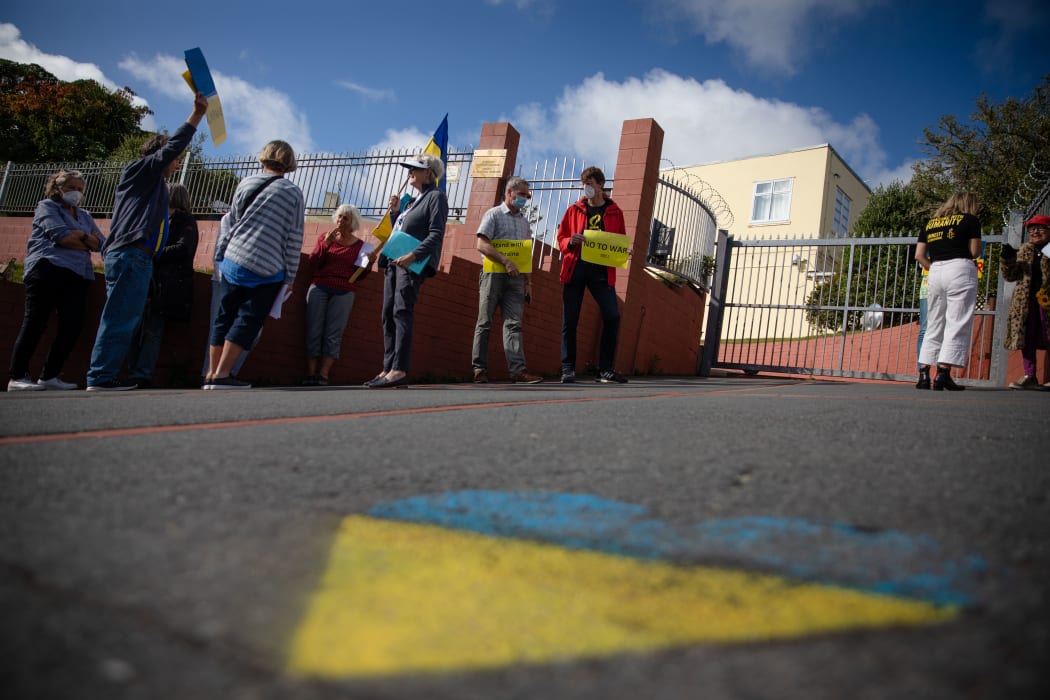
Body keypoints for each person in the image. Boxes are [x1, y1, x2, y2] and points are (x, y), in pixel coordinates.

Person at [86, 93, 208, 391]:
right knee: (121, 318)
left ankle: (104, 375)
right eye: (175, 159)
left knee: (124, 317)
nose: (177, 164)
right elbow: (171, 150)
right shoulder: (141, 171)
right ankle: (101, 377)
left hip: (136, 257)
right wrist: (196, 116)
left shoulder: (153, 187)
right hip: (131, 255)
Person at [205, 140, 305, 389]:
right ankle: (223, 375)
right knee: (248, 319)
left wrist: (220, 256)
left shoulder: (246, 183)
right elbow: (294, 238)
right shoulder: (292, 193)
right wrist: (291, 276)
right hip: (268, 267)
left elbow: (231, 221)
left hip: (233, 259)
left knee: (223, 316)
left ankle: (211, 373)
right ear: (289, 162)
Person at [7, 170, 104, 391]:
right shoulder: (47, 207)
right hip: (47, 268)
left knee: (72, 325)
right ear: (58, 188)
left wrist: (79, 236)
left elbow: (100, 244)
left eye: (79, 189)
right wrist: (82, 238)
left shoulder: (85, 216)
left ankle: (49, 375)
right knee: (35, 322)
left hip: (78, 274)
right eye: (71, 188)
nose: (76, 193)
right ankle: (18, 375)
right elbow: (62, 237)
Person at [365, 153, 448, 389]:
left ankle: (399, 369)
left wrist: (414, 255)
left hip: (411, 263)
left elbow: (436, 233)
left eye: (415, 168)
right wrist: (394, 213)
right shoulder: (411, 202)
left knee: (402, 311)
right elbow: (401, 231)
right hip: (394, 261)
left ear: (429, 173)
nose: (409, 171)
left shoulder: (436, 197)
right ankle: (388, 368)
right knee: (387, 312)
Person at [556, 166, 628, 384]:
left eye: (589, 184)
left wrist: (625, 250)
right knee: (570, 319)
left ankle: (605, 369)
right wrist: (570, 241)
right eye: (583, 184)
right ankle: (568, 368)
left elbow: (620, 240)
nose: (585, 188)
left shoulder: (615, 211)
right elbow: (561, 239)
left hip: (601, 271)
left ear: (600, 186)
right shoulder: (574, 209)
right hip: (576, 267)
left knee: (612, 316)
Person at [471, 177, 543, 385]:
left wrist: (528, 282)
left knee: (514, 324)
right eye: (522, 195)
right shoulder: (493, 214)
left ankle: (518, 371)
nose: (525, 199)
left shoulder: (523, 222)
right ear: (509, 193)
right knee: (484, 322)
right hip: (493, 274)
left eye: (527, 196)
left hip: (516, 280)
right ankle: (479, 369)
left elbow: (525, 255)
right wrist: (505, 261)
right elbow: (481, 244)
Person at [126, 184, 199, 388]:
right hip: (152, 280)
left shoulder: (184, 221)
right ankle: (134, 371)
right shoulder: (159, 219)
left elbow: (183, 248)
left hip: (166, 285)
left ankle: (140, 374)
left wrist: (154, 252)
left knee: (152, 330)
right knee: (137, 327)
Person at [914, 192, 982, 391]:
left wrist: (933, 266)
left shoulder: (930, 223)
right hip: (960, 268)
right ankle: (943, 374)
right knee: (957, 322)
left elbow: (919, 255)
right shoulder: (970, 220)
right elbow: (975, 252)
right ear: (969, 204)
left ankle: (924, 374)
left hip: (935, 271)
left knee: (934, 324)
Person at [302, 204, 371, 386]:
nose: (340, 221)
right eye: (339, 217)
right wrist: (325, 245)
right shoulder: (325, 238)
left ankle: (323, 374)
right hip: (320, 286)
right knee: (313, 330)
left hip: (344, 291)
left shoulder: (360, 246)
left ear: (352, 223)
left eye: (345, 218)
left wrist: (369, 264)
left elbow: (360, 275)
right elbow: (313, 263)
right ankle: (310, 373)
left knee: (334, 333)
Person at [1000, 214, 1050, 389]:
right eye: (1032, 228)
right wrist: (1008, 259)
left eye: (1040, 228)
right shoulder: (1025, 250)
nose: (1035, 232)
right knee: (1026, 337)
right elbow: (1010, 276)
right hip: (1026, 301)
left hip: (1047, 300)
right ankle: (1030, 375)